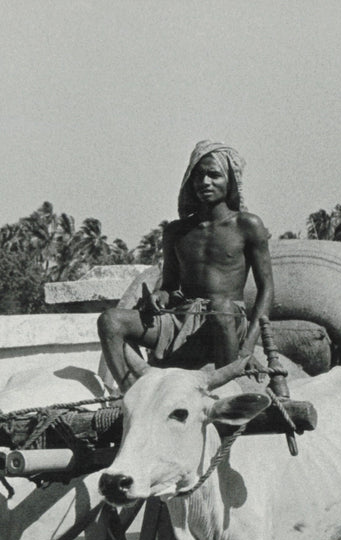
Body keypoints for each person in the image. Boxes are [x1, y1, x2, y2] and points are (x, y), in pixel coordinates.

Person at [99, 141, 274, 390]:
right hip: (181, 321)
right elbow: (170, 285)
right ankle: (133, 395)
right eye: (198, 175)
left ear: (230, 180)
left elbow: (267, 288)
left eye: (214, 174)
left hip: (227, 320)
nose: (204, 182)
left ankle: (227, 393)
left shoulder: (247, 225)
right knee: (110, 321)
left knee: (221, 308)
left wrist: (247, 348)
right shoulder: (176, 231)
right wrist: (160, 295)